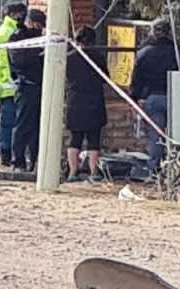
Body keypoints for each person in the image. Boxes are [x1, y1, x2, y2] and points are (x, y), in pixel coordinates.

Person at [130, 17, 180, 175]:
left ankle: (154, 168)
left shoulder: (144, 53)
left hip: (153, 97)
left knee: (156, 135)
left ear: (153, 32)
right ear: (170, 33)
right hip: (176, 97)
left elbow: (136, 78)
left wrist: (134, 98)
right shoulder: (179, 51)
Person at [65, 26, 109, 183]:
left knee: (75, 138)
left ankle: (73, 171)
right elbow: (105, 78)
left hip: (75, 100)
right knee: (94, 139)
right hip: (94, 101)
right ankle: (94, 172)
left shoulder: (69, 57)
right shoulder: (98, 58)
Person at [9, 9, 46, 172]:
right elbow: (19, 61)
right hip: (26, 86)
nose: (38, 28)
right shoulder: (17, 37)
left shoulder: (41, 37)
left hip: (41, 86)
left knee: (38, 126)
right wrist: (39, 52)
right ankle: (18, 161)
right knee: (23, 125)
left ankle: (35, 160)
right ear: (29, 22)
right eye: (36, 25)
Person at [0, 2, 25, 166]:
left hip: (9, 85)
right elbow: (5, 62)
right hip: (8, 86)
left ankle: (8, 153)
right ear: (14, 14)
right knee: (9, 122)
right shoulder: (6, 33)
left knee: (10, 122)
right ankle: (6, 154)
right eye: (20, 14)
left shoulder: (10, 31)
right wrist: (15, 80)